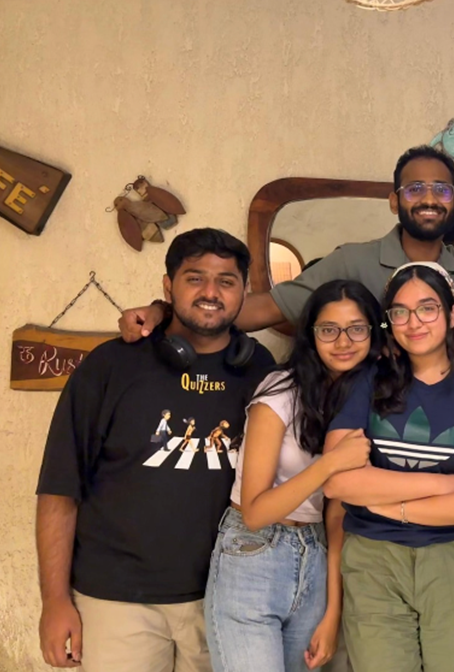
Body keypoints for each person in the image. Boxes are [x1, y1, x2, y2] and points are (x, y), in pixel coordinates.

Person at [36, 228, 275, 671]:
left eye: (226, 281)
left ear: (244, 292)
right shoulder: (110, 365)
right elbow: (59, 487)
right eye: (194, 278)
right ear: (168, 287)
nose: (210, 292)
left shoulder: (261, 370)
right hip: (116, 600)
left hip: (226, 595)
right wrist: (54, 601)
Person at [117, 146, 454, 340]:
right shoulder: (353, 262)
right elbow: (262, 309)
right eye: (414, 189)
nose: (429, 199)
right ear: (394, 201)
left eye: (442, 190)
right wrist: (165, 312)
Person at [322, 262, 454, 672]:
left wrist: (391, 505)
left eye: (427, 308)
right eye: (400, 312)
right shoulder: (368, 381)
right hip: (372, 558)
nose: (414, 322)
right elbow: (336, 481)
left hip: (449, 557)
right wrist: (443, 486)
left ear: (452, 314)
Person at [205, 279, 383, 672]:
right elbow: (255, 512)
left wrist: (333, 611)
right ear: (311, 335)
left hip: (314, 553)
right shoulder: (280, 391)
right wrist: (330, 464)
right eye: (328, 329)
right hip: (253, 554)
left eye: (356, 328)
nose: (343, 342)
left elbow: (335, 515)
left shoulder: (364, 399)